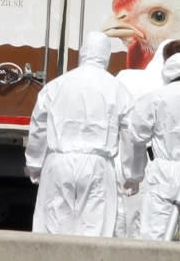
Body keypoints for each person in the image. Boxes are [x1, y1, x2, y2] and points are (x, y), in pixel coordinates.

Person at [25, 31, 135, 236]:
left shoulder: (55, 86)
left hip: (59, 162)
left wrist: (35, 164)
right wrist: (131, 175)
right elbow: (130, 136)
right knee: (94, 231)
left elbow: (38, 128)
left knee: (54, 227)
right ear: (107, 56)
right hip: (98, 166)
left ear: (83, 52)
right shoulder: (118, 89)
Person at [121, 39, 180, 242]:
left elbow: (135, 136)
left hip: (163, 172)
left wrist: (133, 175)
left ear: (165, 63)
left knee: (156, 235)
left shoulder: (154, 98)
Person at [113, 39, 171, 239]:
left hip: (122, 150)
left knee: (121, 209)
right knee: (148, 218)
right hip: (154, 158)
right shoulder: (168, 86)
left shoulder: (126, 77)